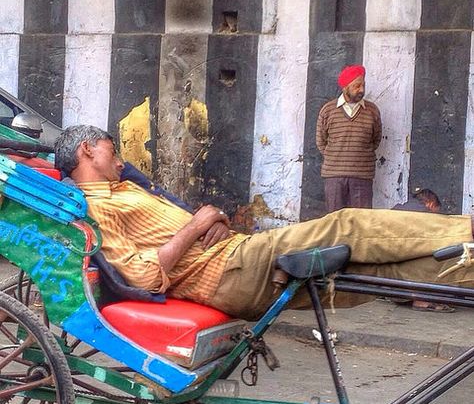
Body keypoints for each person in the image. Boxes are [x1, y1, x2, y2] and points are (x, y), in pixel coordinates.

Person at [54, 125, 474, 321]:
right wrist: (196, 227)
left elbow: (196, 220)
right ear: (88, 150)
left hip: (234, 256)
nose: (120, 159)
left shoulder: (124, 188)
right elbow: (143, 277)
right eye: (112, 151)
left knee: (381, 274)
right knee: (347, 225)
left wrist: (211, 220)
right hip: (230, 272)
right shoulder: (95, 206)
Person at [316, 65, 382, 212]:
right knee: (334, 220)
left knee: (361, 222)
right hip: (334, 176)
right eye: (357, 86)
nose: (362, 90)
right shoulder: (328, 110)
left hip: (362, 177)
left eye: (363, 85)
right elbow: (321, 141)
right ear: (345, 87)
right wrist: (336, 158)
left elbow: (376, 140)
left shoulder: (372, 111)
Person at [393, 188, 454, 313]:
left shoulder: (396, 209)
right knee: (442, 254)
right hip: (409, 272)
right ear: (431, 204)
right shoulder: (427, 216)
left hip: (388, 278)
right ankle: (422, 300)